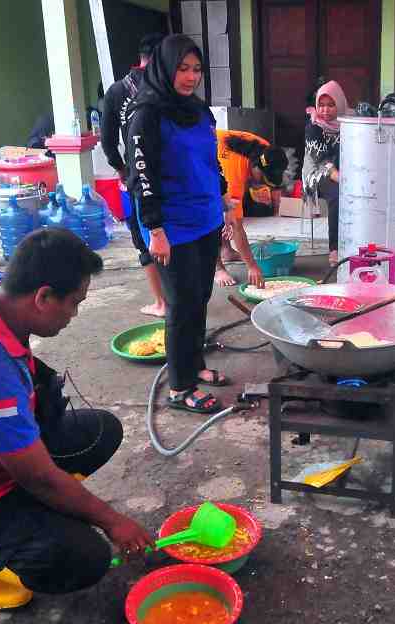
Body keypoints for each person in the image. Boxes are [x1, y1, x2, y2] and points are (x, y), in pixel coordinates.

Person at [0, 229, 153, 609]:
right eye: (74, 302)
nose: (75, 313)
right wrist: (113, 521)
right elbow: (37, 477)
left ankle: (40, 514)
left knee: (100, 431)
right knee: (85, 557)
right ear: (42, 297)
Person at [125, 34, 231, 415]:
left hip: (204, 217)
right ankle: (179, 387)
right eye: (183, 69)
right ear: (165, 68)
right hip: (171, 226)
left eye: (197, 70)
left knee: (199, 297)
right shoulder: (146, 115)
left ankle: (194, 365)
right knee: (180, 304)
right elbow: (142, 177)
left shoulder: (199, 111)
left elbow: (210, 159)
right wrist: (155, 230)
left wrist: (223, 196)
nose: (190, 78)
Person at [101, 32, 167, 317]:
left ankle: (162, 303)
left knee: (146, 239)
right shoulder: (168, 86)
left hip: (139, 177)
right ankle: (176, 300)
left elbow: (107, 139)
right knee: (172, 234)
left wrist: (122, 169)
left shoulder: (117, 91)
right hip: (171, 175)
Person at [213, 130, 288, 286]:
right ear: (255, 167)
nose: (263, 183)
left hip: (224, 155)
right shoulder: (234, 175)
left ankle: (226, 251)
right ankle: (217, 267)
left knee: (228, 215)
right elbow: (236, 225)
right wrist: (252, 266)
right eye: (262, 178)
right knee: (213, 215)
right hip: (204, 157)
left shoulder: (266, 152)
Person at [304, 80, 349, 268]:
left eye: (331, 105)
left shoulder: (349, 123)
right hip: (317, 173)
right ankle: (334, 248)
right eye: (321, 105)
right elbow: (321, 160)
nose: (325, 110)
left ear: (339, 104)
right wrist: (342, 178)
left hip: (343, 172)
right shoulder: (314, 127)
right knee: (338, 193)